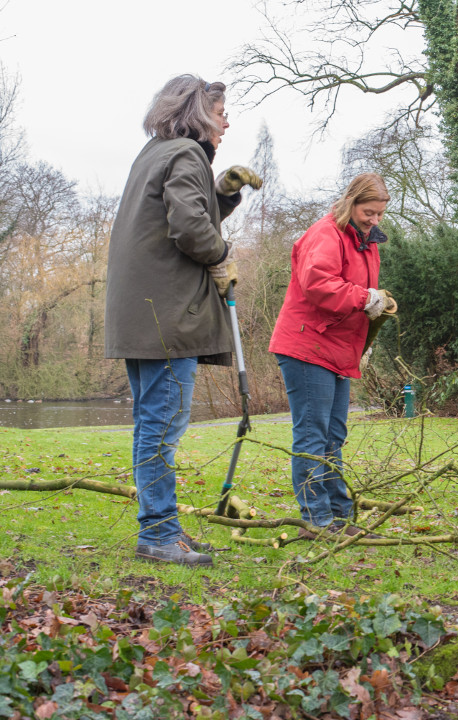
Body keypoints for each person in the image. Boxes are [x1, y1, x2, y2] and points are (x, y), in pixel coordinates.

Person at [105, 75, 262, 566]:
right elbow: (190, 227)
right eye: (221, 113)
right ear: (198, 113)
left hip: (141, 314)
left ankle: (162, 526)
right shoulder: (186, 154)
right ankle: (158, 533)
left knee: (151, 422)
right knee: (163, 425)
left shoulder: (154, 152)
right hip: (168, 316)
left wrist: (224, 193)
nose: (226, 122)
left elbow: (189, 208)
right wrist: (221, 254)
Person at [269, 173, 393, 540]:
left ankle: (340, 518)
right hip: (307, 347)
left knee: (333, 436)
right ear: (351, 202)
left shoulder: (366, 241)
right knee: (313, 436)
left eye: (380, 214)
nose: (374, 220)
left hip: (337, 348)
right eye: (369, 212)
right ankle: (317, 521)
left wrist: (362, 343)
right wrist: (364, 298)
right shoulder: (326, 234)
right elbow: (318, 283)